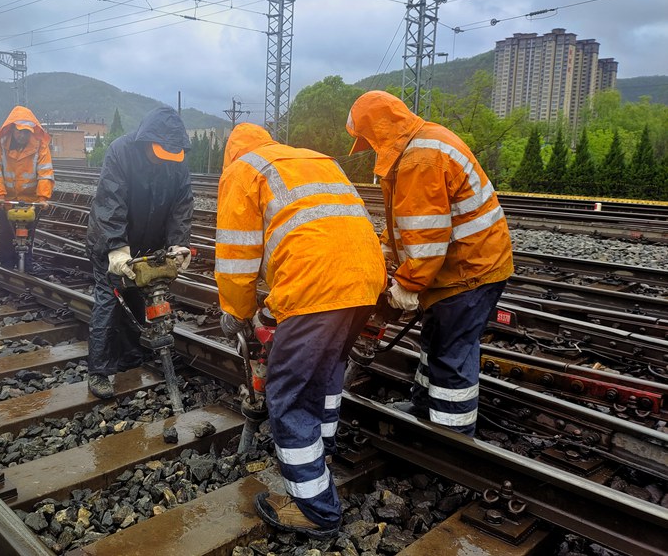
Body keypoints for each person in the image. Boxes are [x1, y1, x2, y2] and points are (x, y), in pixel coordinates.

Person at [215, 122, 386, 539]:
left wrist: (238, 312)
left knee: (287, 395)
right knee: (327, 372)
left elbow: (237, 257)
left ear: (231, 153)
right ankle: (320, 454)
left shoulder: (243, 170)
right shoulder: (313, 158)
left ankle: (316, 508)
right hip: (365, 280)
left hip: (316, 287)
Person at [346, 90, 513, 437]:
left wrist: (406, 286)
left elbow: (427, 236)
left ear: (377, 130)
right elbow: (403, 227)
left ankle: (451, 437)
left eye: (367, 139)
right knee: (435, 342)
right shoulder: (418, 145)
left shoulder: (420, 158)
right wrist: (382, 258)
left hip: (470, 271)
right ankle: (426, 409)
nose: (369, 148)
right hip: (457, 267)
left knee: (451, 354)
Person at [85, 106, 193, 399]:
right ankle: (100, 370)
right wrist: (117, 250)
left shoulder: (177, 163)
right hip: (109, 241)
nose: (166, 162)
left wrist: (178, 243)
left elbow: (181, 206)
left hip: (147, 243)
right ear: (147, 142)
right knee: (111, 299)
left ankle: (132, 359)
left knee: (136, 299)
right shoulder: (121, 152)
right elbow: (111, 203)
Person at [0, 106, 54, 271]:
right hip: (6, 199)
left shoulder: (40, 145)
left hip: (30, 200)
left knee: (28, 235)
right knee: (5, 234)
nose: (22, 135)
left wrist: (43, 198)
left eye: (26, 132)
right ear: (12, 129)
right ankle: (6, 266)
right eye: (19, 131)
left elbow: (45, 172)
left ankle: (26, 265)